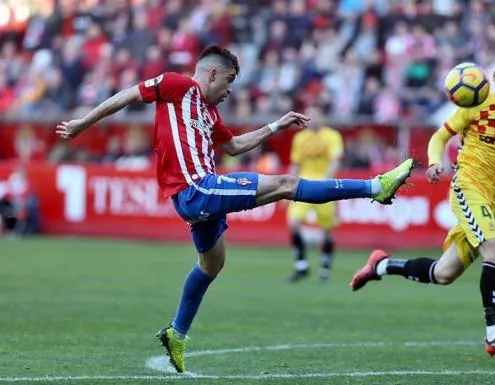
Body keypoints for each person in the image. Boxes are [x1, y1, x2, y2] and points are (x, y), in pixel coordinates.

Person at [55, 45, 414, 373]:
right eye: (228, 81)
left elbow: (234, 146)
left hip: (198, 197)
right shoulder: (176, 84)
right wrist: (81, 124)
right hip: (196, 187)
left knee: (212, 265)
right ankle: (375, 187)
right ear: (211, 73)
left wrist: (276, 124)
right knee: (285, 184)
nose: (230, 90)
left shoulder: (209, 114)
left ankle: (176, 334)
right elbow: (127, 95)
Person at [350, 51, 495, 356]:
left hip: (494, 201)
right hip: (467, 189)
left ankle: (380, 265)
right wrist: (434, 162)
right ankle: (494, 333)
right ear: (494, 75)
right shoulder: (474, 104)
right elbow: (438, 137)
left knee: (443, 273)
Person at [286, 104, 343, 283]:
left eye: (314, 115)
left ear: (322, 117)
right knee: (293, 223)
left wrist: (328, 181)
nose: (310, 119)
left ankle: (325, 269)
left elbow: (335, 161)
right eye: (308, 116)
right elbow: (295, 163)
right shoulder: (300, 138)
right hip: (303, 184)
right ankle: (301, 265)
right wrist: (285, 186)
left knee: (326, 230)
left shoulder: (332, 136)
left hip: (324, 184)